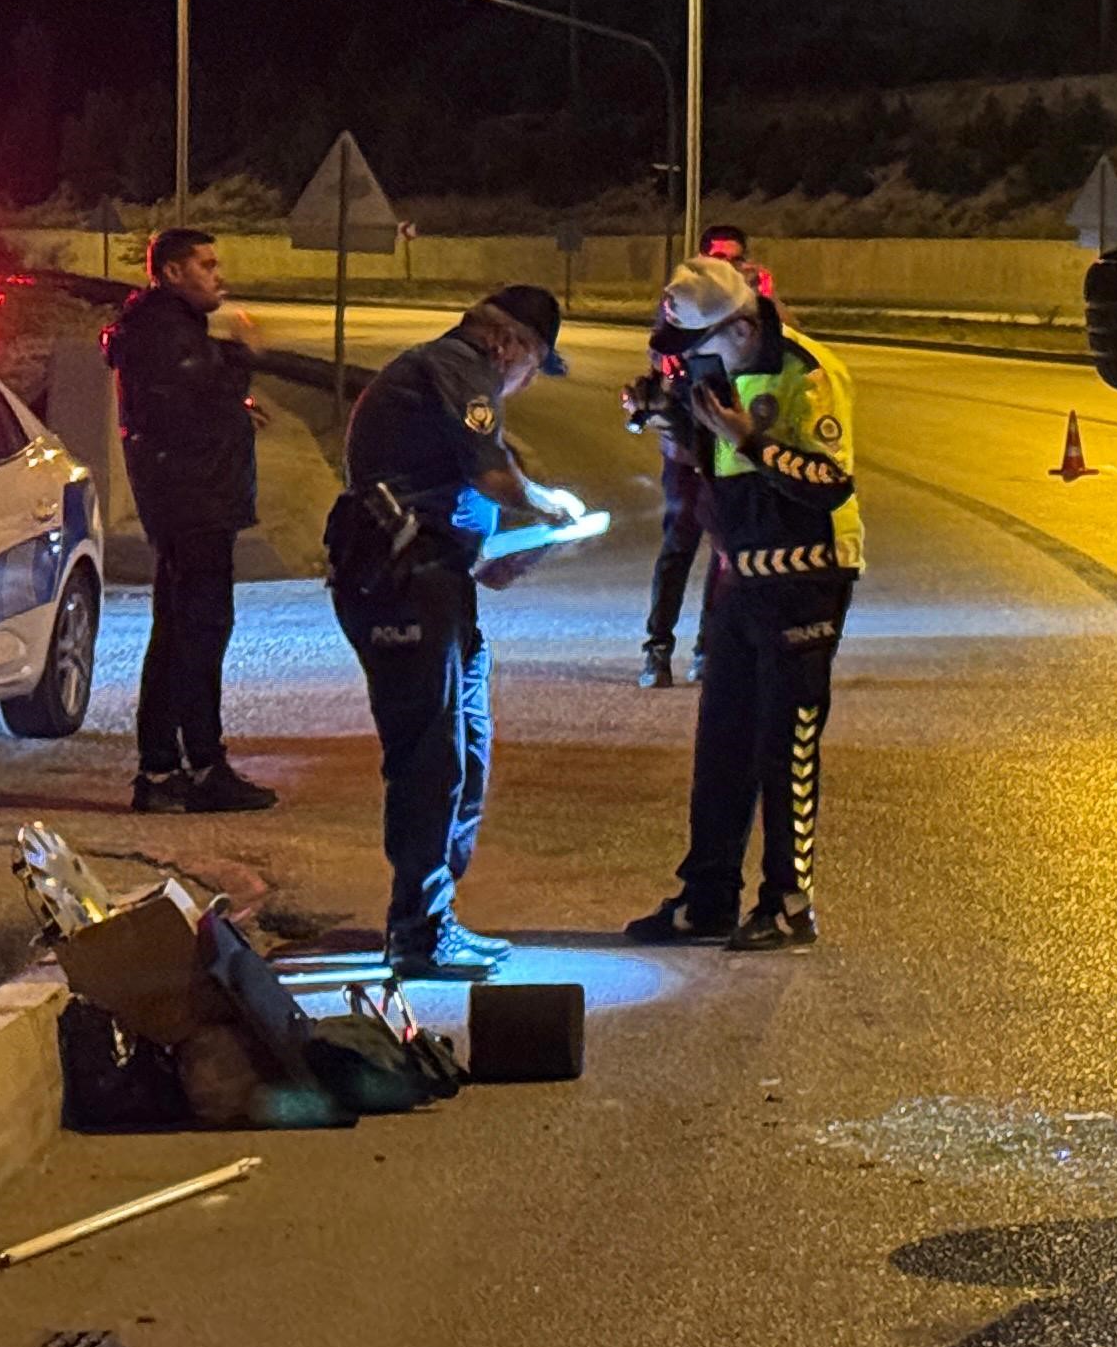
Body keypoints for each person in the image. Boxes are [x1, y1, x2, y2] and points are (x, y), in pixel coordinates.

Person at [324, 284, 577, 980]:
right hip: (401, 581)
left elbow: (466, 523)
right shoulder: (460, 370)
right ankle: (417, 930)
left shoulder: (451, 378)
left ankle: (432, 915)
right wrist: (550, 504)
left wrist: (510, 552)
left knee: (463, 751)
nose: (523, 385)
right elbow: (494, 473)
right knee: (429, 757)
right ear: (510, 346)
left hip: (436, 581)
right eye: (531, 367)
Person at [623, 256, 860, 953]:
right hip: (739, 572)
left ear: (739, 326)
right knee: (721, 742)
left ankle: (789, 904)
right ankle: (708, 897)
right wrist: (662, 419)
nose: (687, 362)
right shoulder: (715, 367)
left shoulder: (807, 372)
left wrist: (744, 439)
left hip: (806, 573)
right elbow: (709, 454)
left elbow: (828, 482)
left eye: (694, 347)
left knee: (785, 742)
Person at [101, 227, 273, 812]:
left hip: (194, 502)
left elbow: (193, 394)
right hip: (192, 504)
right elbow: (188, 401)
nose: (218, 274)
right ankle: (196, 768)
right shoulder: (163, 334)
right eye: (206, 264)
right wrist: (241, 365)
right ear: (172, 273)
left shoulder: (168, 331)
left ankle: (168, 769)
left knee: (183, 632)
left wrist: (233, 395)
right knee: (196, 634)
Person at [637, 222, 776, 687]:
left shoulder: (756, 308)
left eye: (734, 257)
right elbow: (661, 357)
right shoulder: (687, 299)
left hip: (731, 445)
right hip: (685, 444)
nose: (725, 264)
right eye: (716, 255)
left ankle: (708, 649)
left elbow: (784, 351)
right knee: (679, 545)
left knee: (725, 553)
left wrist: (768, 302)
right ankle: (657, 650)